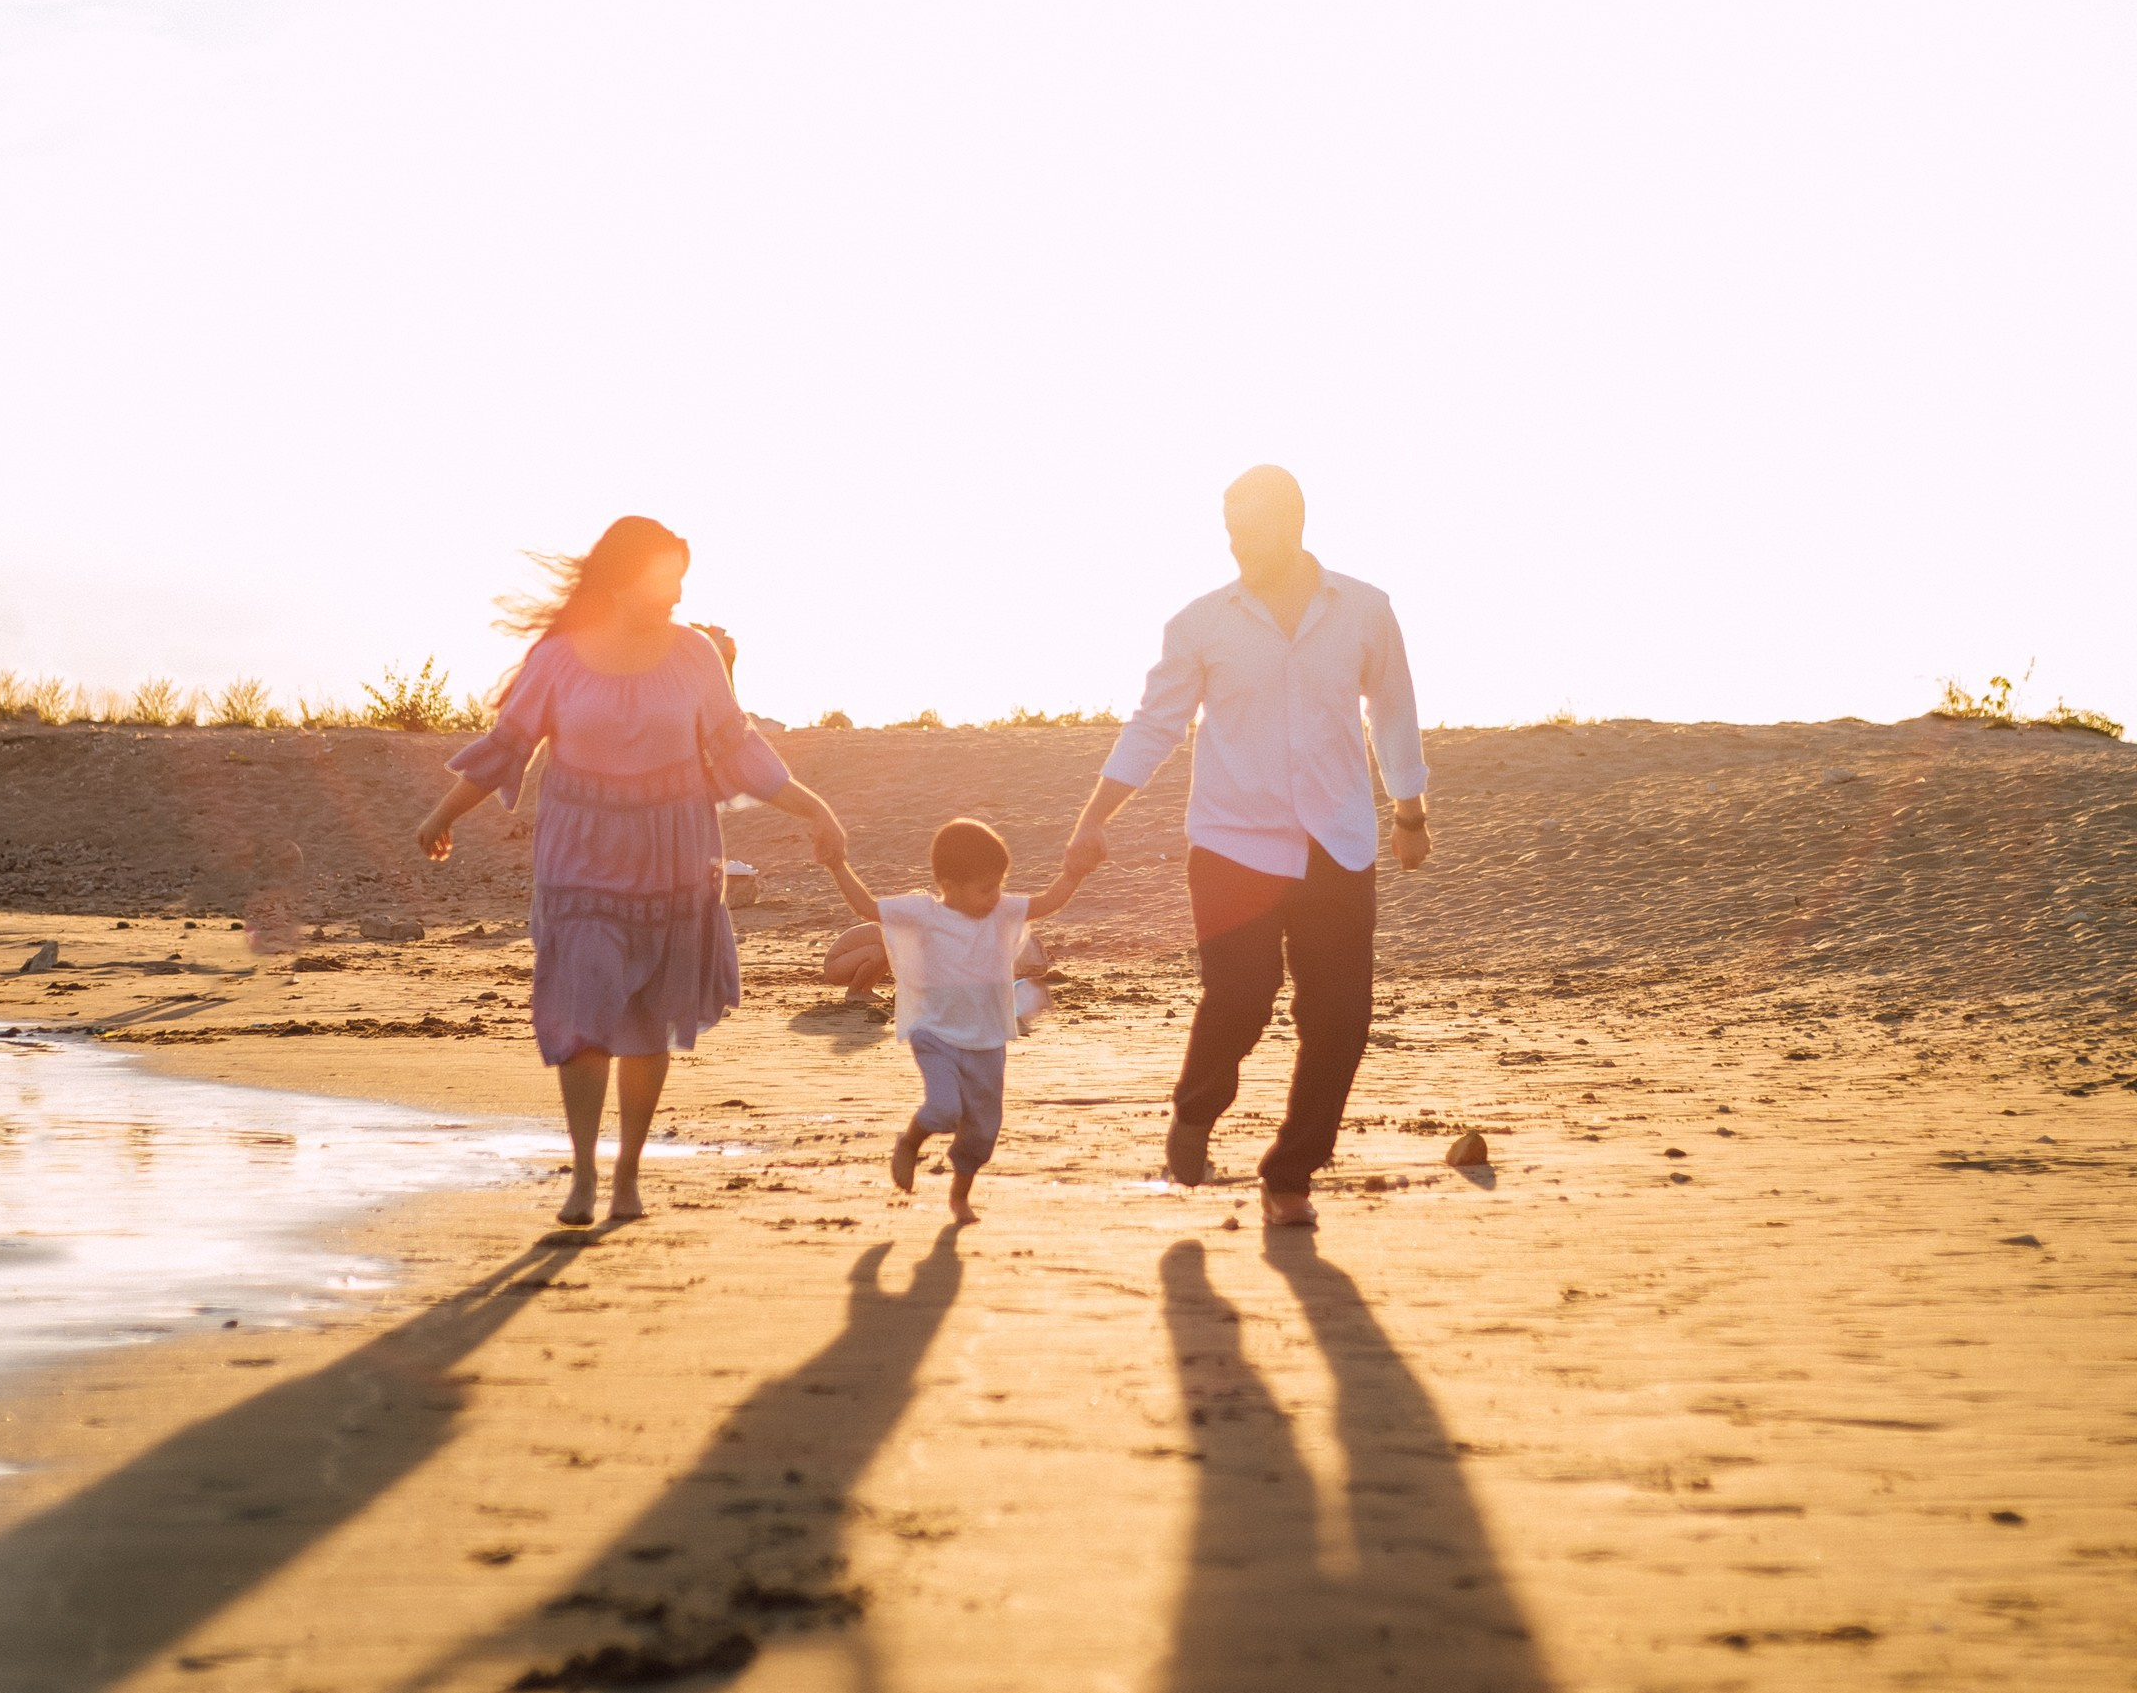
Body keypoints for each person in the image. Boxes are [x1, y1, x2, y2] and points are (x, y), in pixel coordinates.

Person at [414, 516, 847, 1229]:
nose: (677, 591)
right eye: (665, 575)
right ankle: (583, 1171)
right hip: (580, 859)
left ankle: (627, 1173)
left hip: (673, 860)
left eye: (682, 575)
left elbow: (737, 750)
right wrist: (443, 814)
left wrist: (813, 808)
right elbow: (507, 747)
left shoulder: (694, 655)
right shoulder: (558, 658)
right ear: (624, 578)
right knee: (584, 1015)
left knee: (647, 1023)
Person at [1060, 465, 1431, 1230]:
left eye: (1250, 531)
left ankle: (1290, 1170)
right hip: (1232, 843)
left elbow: (1393, 710)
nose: (1236, 547)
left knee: (1340, 1017)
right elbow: (1156, 723)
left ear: (1294, 522)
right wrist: (1096, 814)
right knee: (1242, 994)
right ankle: (1196, 1109)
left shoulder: (1365, 610)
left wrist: (1410, 812)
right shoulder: (1201, 623)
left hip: (1336, 841)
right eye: (1229, 531)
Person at [821, 817, 1093, 1223]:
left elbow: (1049, 901)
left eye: (999, 884)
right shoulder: (923, 913)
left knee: (982, 1130)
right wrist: (837, 863)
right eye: (986, 887)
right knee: (944, 1108)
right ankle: (910, 1143)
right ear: (948, 884)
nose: (995, 895)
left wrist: (1074, 873)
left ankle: (960, 1197)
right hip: (935, 1033)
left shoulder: (1000, 912)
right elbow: (865, 906)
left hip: (988, 1041)